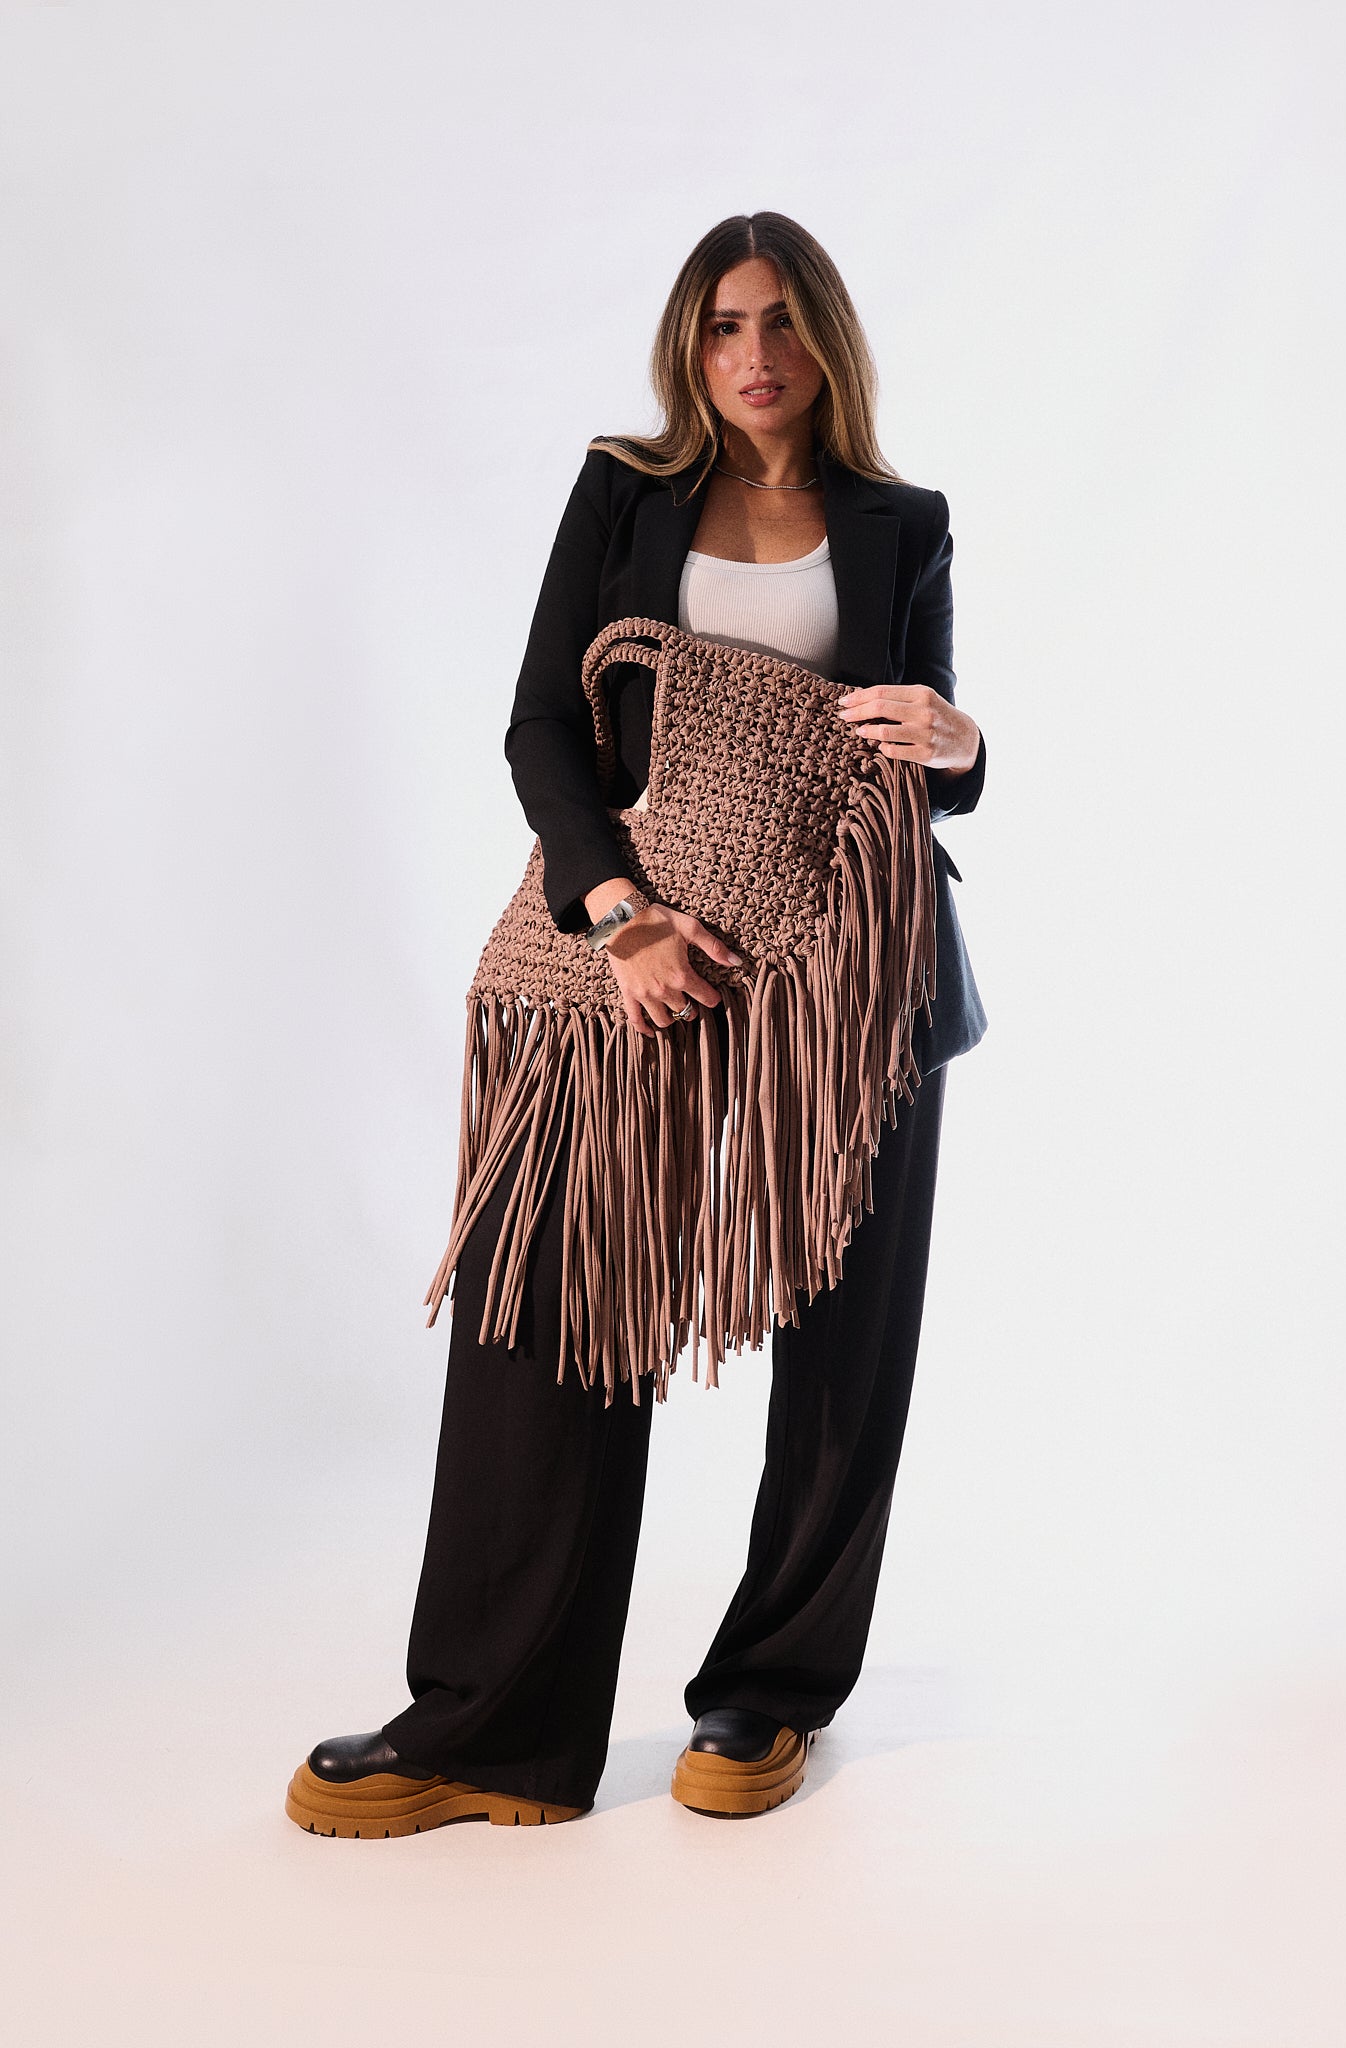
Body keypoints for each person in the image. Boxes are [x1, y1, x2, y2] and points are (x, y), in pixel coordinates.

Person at [284, 211, 987, 1836]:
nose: (757, 358)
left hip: (854, 966)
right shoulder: (626, 490)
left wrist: (959, 741)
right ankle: (494, 1724)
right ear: (690, 342)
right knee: (549, 1282)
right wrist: (615, 915)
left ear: (829, 342)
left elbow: (933, 746)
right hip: (638, 938)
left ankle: (769, 1695)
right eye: (728, 326)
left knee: (845, 1327)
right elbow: (544, 721)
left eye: (787, 325)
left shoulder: (903, 522)